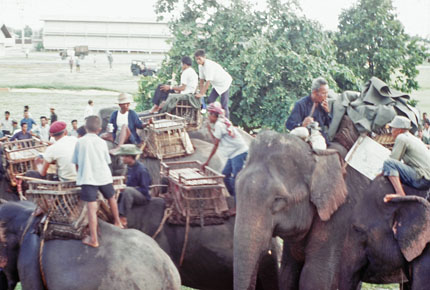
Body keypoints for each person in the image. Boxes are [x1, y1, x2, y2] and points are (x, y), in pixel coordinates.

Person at [72, 115, 123, 247]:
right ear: (99, 129)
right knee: (111, 197)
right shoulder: (102, 142)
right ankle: (117, 221)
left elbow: (76, 163)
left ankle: (94, 239)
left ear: (84, 128)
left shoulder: (80, 142)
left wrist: (80, 174)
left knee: (91, 207)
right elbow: (107, 161)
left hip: (88, 178)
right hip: (104, 176)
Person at [202, 102, 248, 198]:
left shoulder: (219, 124)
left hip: (238, 152)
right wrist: (210, 130)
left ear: (214, 115)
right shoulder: (221, 121)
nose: (208, 117)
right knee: (225, 175)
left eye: (209, 114)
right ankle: (233, 196)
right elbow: (216, 138)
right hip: (233, 153)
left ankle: (238, 204)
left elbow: (215, 144)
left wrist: (207, 161)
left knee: (236, 179)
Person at [382, 116, 430, 203]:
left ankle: (400, 193)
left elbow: (394, 159)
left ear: (399, 130)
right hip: (427, 178)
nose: (391, 132)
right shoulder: (414, 138)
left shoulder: (401, 137)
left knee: (388, 163)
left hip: (421, 178)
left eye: (392, 128)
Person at [113, 144, 152, 227]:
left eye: (123, 156)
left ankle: (123, 217)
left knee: (128, 191)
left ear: (130, 157)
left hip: (142, 197)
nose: (121, 158)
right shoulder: (128, 167)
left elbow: (145, 190)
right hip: (130, 192)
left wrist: (128, 189)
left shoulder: (141, 170)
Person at [285, 77, 331, 143]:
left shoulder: (323, 105)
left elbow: (328, 124)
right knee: (304, 132)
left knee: (320, 147)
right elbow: (289, 124)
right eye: (324, 93)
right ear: (314, 92)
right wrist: (302, 124)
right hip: (303, 135)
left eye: (327, 93)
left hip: (316, 135)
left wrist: (327, 112)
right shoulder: (301, 104)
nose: (326, 96)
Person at [195, 49, 233, 119]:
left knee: (224, 104)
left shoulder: (208, 65)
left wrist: (202, 93)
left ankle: (226, 122)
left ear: (204, 57)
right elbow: (201, 81)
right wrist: (200, 93)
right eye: (196, 59)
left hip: (224, 83)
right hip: (216, 85)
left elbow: (208, 82)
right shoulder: (200, 66)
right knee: (210, 100)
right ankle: (212, 118)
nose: (198, 61)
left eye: (199, 59)